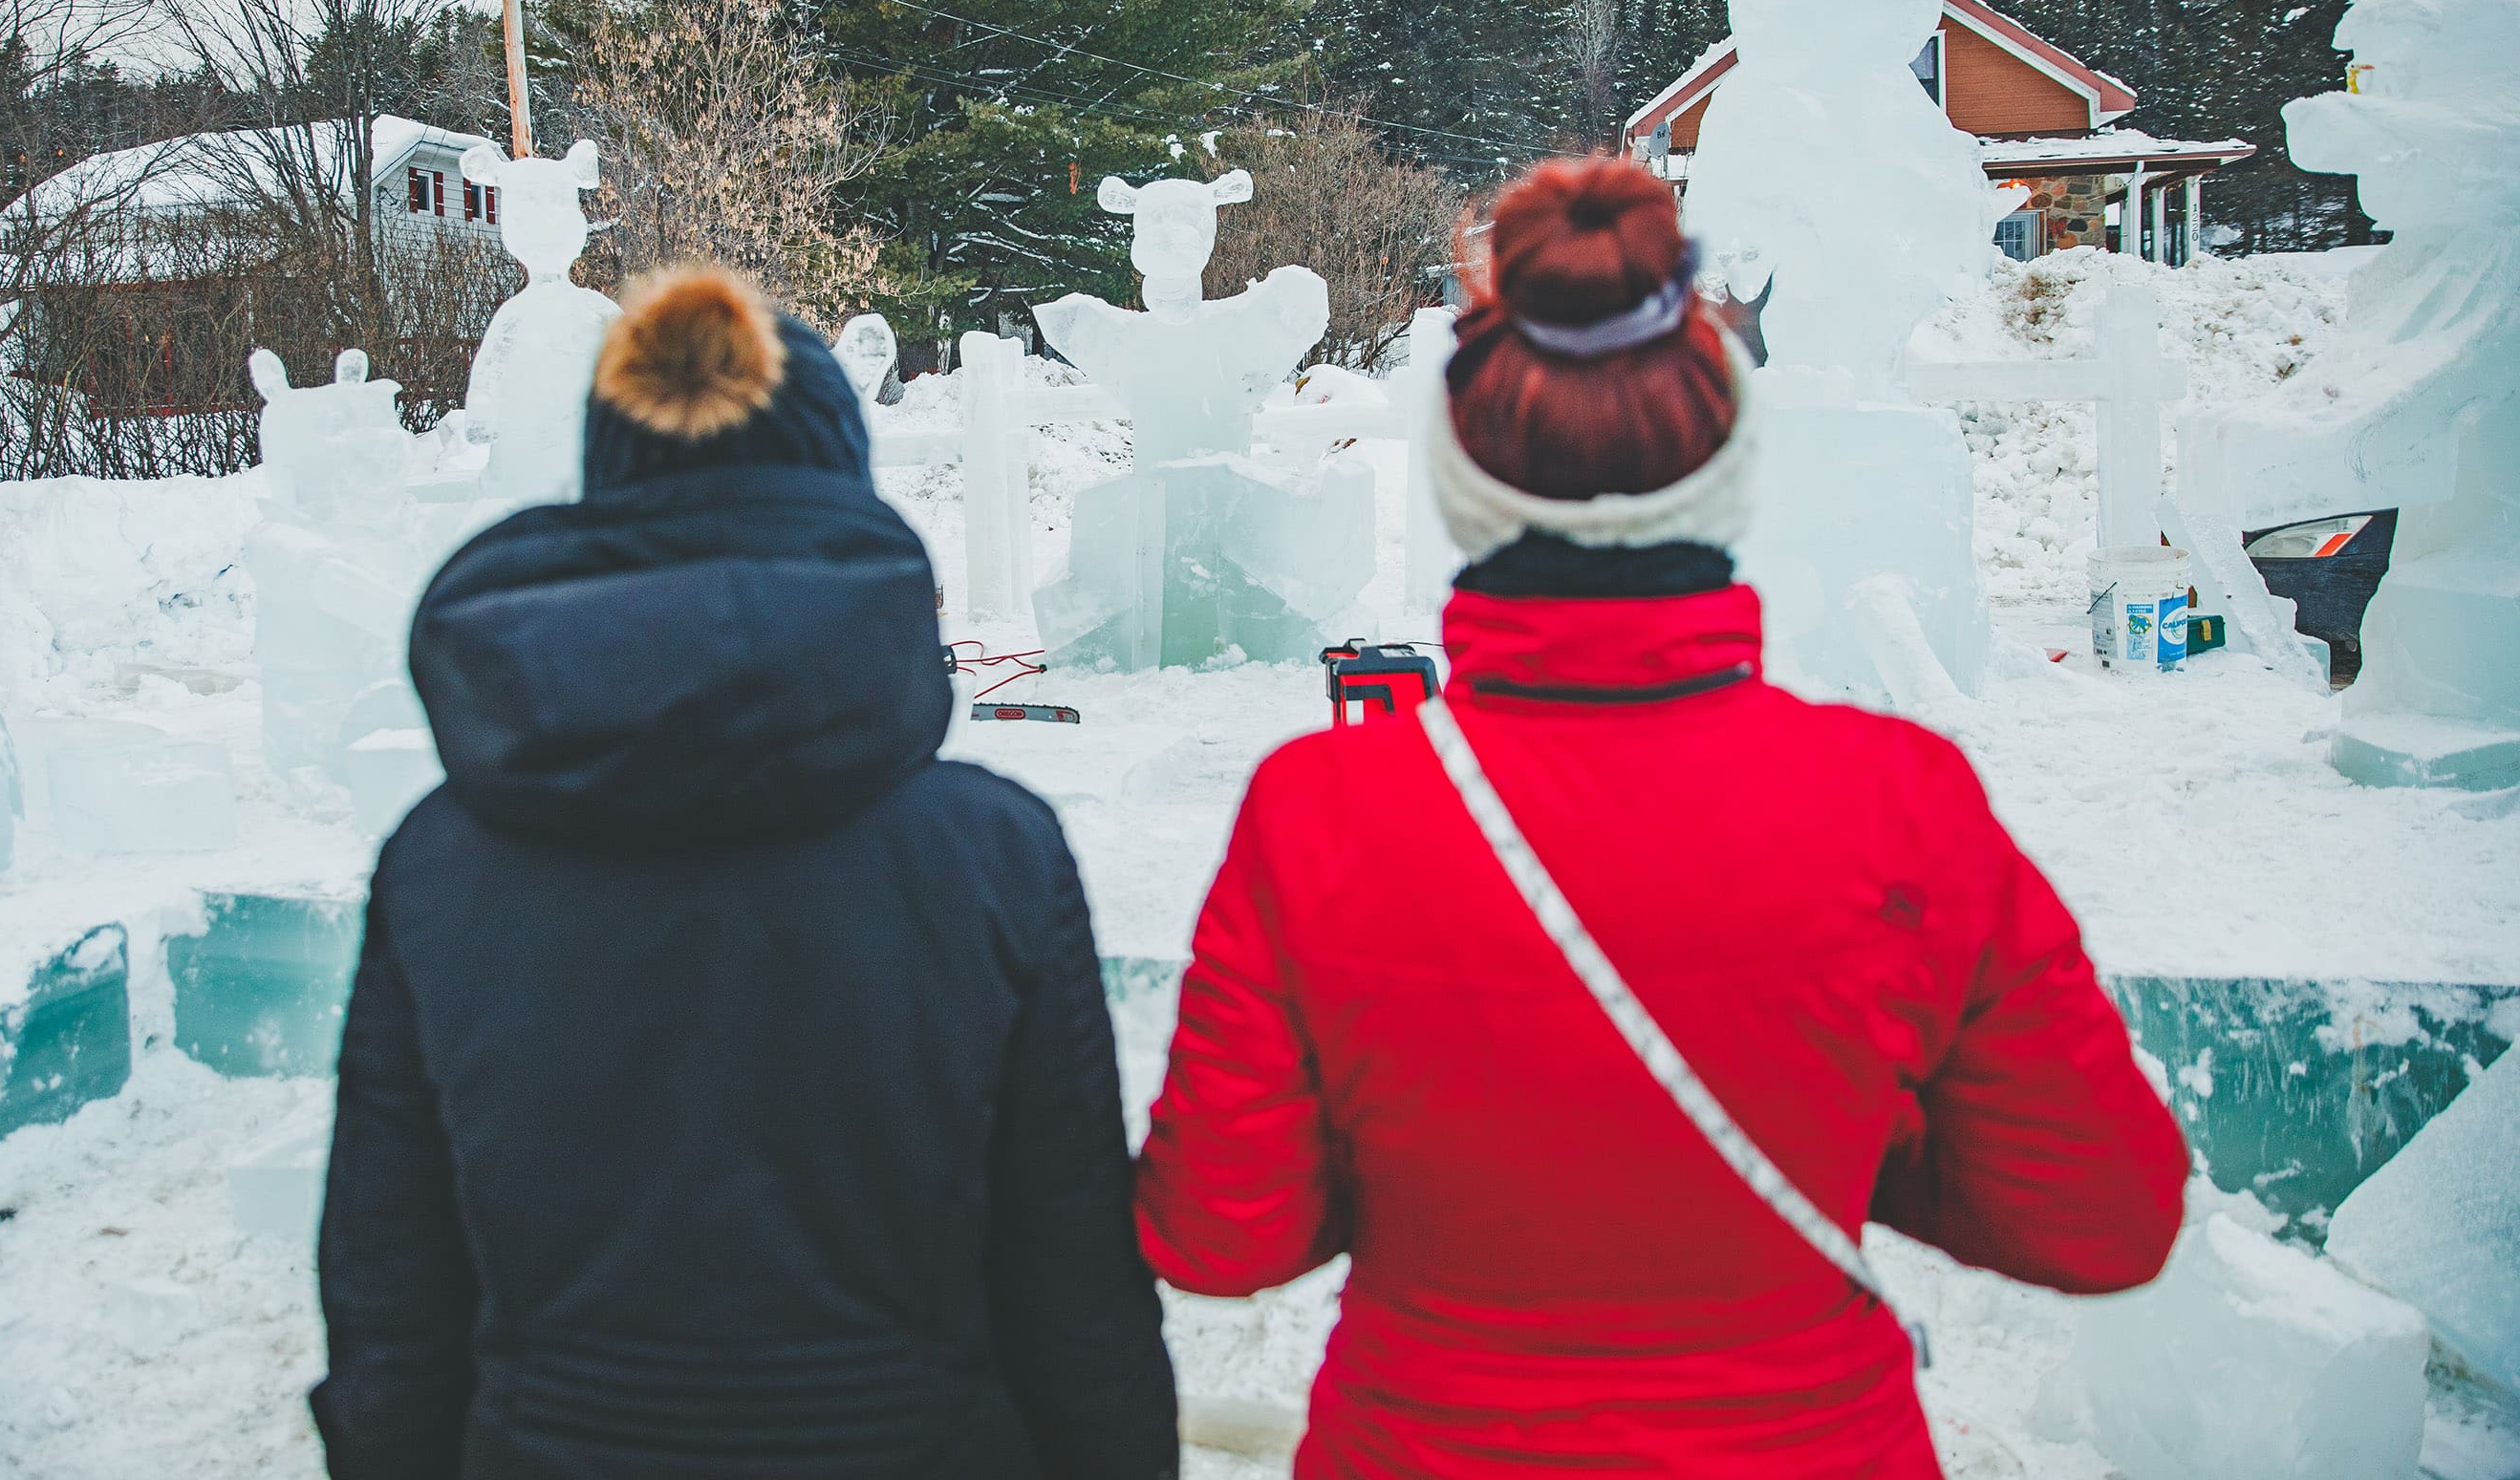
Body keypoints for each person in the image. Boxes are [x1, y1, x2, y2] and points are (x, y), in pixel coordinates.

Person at [1134, 158, 2187, 1477]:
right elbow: (2101, 1217)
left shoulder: (1324, 813)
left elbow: (1217, 1236)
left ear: (1462, 482)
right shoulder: (1898, 802)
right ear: (1731, 468)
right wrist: (1843, 1123)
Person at [312, 268, 1178, 1480]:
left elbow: (390, 1290)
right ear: (840, 488)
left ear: (608, 489)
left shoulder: (442, 861)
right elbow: (1072, 1281)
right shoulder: (993, 853)